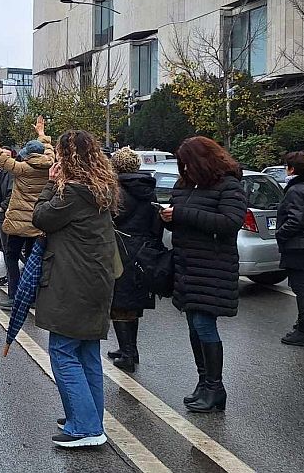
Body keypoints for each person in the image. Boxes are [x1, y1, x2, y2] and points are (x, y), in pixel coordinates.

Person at [25, 129, 120, 448]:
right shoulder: (101, 187)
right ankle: (89, 416)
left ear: (67, 159)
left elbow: (41, 218)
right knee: (87, 352)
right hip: (96, 280)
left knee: (64, 351)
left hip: (73, 281)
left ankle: (85, 427)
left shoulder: (72, 192)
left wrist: (51, 182)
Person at [160, 136, 246, 414]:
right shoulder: (184, 185)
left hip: (213, 267)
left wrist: (182, 214)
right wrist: (168, 218)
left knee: (205, 325)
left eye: (187, 163)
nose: (183, 169)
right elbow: (182, 222)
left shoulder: (229, 185)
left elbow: (230, 223)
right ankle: (204, 382)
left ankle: (215, 387)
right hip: (186, 264)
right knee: (194, 326)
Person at [0, 115, 55, 310]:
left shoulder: (20, 168)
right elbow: (48, 150)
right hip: (38, 220)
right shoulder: (49, 164)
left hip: (17, 222)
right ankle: (32, 297)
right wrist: (41, 134)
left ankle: (14, 296)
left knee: (11, 258)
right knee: (34, 261)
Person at [107, 147, 161, 372]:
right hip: (143, 249)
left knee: (119, 302)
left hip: (121, 250)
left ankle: (128, 353)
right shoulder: (147, 188)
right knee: (133, 302)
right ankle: (129, 348)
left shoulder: (117, 190)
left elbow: (111, 219)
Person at [276, 151, 304, 347]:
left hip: (298, 245)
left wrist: (280, 234)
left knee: (301, 288)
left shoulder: (296, 190)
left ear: (292, 169)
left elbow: (295, 220)